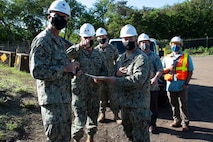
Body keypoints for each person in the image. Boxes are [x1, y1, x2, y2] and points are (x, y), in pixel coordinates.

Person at [29, 0, 79, 141]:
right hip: (52, 102)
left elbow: (60, 69)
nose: (61, 19)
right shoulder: (42, 40)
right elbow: (37, 71)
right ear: (49, 17)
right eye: (57, 15)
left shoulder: (59, 41)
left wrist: (71, 71)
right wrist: (64, 68)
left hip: (63, 100)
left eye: (64, 17)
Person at [94, 24, 151, 142]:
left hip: (138, 107)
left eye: (130, 38)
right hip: (125, 105)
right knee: (129, 134)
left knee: (141, 137)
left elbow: (138, 80)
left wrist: (115, 80)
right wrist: (104, 78)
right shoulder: (121, 58)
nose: (128, 41)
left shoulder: (141, 58)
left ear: (135, 39)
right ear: (122, 40)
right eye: (125, 39)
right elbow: (114, 72)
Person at [66, 23, 107, 142]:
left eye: (90, 37)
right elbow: (66, 55)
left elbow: (104, 70)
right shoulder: (76, 51)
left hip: (94, 92)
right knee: (79, 120)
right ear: (81, 38)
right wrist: (79, 46)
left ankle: (90, 138)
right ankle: (77, 139)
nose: (88, 40)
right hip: (79, 92)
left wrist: (100, 78)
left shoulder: (98, 54)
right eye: (85, 37)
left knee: (93, 118)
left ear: (94, 38)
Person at [162, 36, 194, 131]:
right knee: (173, 104)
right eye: (173, 44)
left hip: (182, 85)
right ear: (170, 45)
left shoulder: (186, 57)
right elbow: (161, 70)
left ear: (181, 46)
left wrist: (186, 84)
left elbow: (190, 71)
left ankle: (185, 123)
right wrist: (168, 69)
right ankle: (177, 121)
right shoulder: (167, 58)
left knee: (183, 105)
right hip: (170, 86)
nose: (175, 46)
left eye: (177, 44)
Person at [94, 27, 122, 124]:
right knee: (102, 97)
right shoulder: (95, 50)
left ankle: (116, 115)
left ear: (106, 37)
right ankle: (102, 114)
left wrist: (117, 71)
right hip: (101, 78)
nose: (102, 38)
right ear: (97, 38)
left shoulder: (112, 48)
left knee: (113, 96)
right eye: (99, 37)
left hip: (111, 76)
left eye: (103, 36)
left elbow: (118, 59)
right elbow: (93, 64)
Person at [138, 33, 163, 133]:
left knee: (153, 107)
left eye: (146, 42)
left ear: (149, 43)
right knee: (140, 107)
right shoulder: (136, 56)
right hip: (139, 87)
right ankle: (142, 124)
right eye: (142, 42)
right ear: (139, 44)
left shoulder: (155, 56)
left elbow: (160, 70)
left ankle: (152, 125)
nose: (145, 44)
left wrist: (156, 78)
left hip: (153, 87)